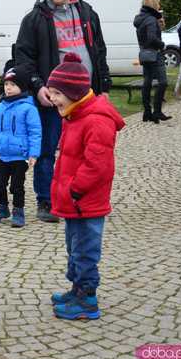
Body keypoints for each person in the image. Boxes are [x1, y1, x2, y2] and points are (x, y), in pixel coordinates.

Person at [15, 0, 111, 223]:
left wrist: (104, 88)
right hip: (53, 98)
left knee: (86, 152)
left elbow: (99, 51)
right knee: (47, 150)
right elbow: (23, 59)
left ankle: (81, 198)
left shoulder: (87, 13)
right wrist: (38, 86)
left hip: (86, 98)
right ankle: (46, 200)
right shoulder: (34, 19)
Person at [45, 53, 125, 320]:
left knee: (86, 249)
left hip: (85, 201)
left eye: (56, 93)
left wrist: (75, 189)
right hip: (75, 201)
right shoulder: (75, 115)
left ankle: (88, 299)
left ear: (74, 93)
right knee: (74, 246)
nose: (52, 99)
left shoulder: (95, 120)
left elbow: (97, 165)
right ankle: (77, 289)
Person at [0, 67, 42, 228]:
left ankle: (18, 211)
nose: (8, 88)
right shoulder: (0, 107)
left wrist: (33, 154)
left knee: (17, 185)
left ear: (22, 87)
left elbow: (35, 133)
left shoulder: (29, 109)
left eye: (12, 85)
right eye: (6, 84)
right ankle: (2, 208)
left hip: (20, 156)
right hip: (3, 155)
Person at [134, 0, 172, 123]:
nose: (159, 6)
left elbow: (146, 37)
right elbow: (151, 38)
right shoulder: (151, 19)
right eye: (158, 4)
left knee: (147, 82)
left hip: (144, 54)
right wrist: (162, 45)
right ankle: (157, 111)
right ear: (154, 5)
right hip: (155, 54)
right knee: (163, 82)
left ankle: (147, 112)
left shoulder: (141, 19)